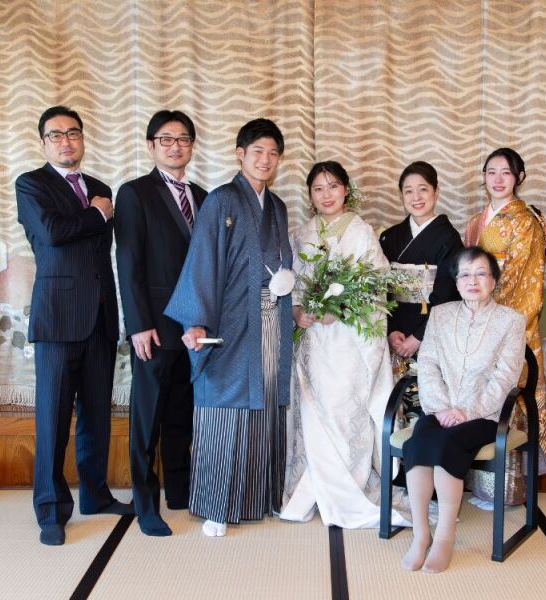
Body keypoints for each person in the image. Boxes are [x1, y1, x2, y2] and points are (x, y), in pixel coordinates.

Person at [164, 118, 293, 538]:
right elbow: (203, 259)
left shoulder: (277, 207)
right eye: (257, 151)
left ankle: (260, 498)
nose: (265, 159)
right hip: (232, 321)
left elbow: (283, 261)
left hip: (271, 318)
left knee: (266, 406)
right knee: (225, 407)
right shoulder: (221, 201)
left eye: (273, 153)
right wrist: (197, 320)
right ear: (240, 154)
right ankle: (218, 504)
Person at [16, 105, 133, 546]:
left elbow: (99, 252)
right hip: (58, 319)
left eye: (73, 133)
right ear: (44, 142)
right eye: (56, 135)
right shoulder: (31, 184)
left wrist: (91, 219)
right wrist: (98, 216)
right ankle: (50, 510)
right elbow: (51, 233)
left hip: (100, 317)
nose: (66, 141)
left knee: (96, 418)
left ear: (83, 139)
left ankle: (96, 495)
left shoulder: (101, 187)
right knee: (52, 419)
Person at [281, 161, 408, 528]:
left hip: (347, 341)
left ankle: (348, 487)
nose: (326, 194)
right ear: (309, 195)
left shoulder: (361, 231)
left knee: (343, 413)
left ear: (346, 190)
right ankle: (313, 490)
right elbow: (292, 284)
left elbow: (375, 284)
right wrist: (299, 312)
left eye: (333, 186)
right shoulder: (301, 234)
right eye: (318, 188)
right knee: (312, 413)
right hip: (313, 342)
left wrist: (340, 311)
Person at [400, 246, 526, 573]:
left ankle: (444, 536)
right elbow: (426, 364)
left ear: (494, 280)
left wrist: (466, 411)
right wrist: (441, 408)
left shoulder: (511, 321)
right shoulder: (441, 315)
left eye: (481, 273)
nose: (473, 281)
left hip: (484, 415)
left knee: (445, 444)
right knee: (418, 443)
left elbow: (505, 377)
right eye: (465, 274)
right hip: (440, 410)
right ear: (456, 282)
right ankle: (421, 535)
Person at [115, 110, 208, 536]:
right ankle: (145, 502)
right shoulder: (135, 193)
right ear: (151, 145)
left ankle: (180, 491)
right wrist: (138, 324)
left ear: (192, 146)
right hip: (153, 327)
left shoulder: (205, 197)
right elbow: (129, 260)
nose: (175, 146)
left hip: (194, 331)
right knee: (147, 417)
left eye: (183, 139)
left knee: (181, 415)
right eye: (166, 139)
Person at [464, 147, 546, 475]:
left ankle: (512, 486)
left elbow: (516, 276)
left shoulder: (524, 220)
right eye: (491, 172)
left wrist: (486, 315)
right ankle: (481, 479)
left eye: (506, 172)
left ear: (520, 178)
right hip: (476, 317)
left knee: (509, 395)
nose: (498, 179)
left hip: (509, 321)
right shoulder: (477, 221)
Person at [379, 161, 461, 361]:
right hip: (395, 332)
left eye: (423, 189)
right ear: (401, 196)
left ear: (436, 191)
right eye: (408, 191)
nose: (416, 197)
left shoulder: (449, 239)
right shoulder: (390, 237)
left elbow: (447, 295)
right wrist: (390, 330)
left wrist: (418, 337)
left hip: (431, 332)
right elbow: (382, 290)